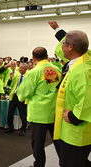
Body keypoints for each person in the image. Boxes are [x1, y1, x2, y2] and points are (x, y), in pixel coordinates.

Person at [49, 21, 91, 167]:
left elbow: (88, 98)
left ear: (70, 46)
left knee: (71, 163)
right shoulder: (78, 61)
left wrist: (74, 117)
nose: (61, 46)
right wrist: (57, 30)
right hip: (69, 131)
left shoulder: (82, 70)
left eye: (64, 43)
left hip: (76, 132)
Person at [17, 47, 61, 167]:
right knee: (59, 142)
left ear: (33, 58)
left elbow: (23, 93)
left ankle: (39, 165)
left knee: (38, 144)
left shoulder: (33, 72)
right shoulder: (57, 69)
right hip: (55, 111)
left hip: (39, 113)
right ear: (47, 56)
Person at [4, 63, 28, 136]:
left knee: (23, 114)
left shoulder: (28, 76)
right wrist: (11, 78)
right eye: (20, 68)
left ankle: (23, 129)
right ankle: (10, 127)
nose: (20, 69)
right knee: (10, 112)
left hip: (22, 96)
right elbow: (9, 85)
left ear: (26, 69)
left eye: (22, 68)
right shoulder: (17, 75)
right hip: (14, 95)